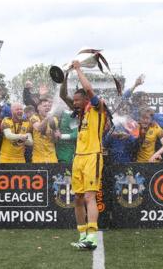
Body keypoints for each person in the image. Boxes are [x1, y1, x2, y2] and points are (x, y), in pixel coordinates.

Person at [60, 60, 108, 250]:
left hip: (92, 156)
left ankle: (93, 237)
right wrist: (65, 76)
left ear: (87, 100)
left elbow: (88, 89)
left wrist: (78, 69)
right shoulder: (79, 114)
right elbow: (62, 95)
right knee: (77, 199)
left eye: (78, 100)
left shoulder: (97, 109)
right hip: (78, 158)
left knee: (89, 197)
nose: (75, 103)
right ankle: (82, 236)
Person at [29, 97, 60, 163]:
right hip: (38, 157)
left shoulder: (54, 119)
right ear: (38, 108)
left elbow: (55, 140)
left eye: (49, 106)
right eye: (45, 106)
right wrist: (47, 118)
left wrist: (56, 135)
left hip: (52, 157)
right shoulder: (34, 117)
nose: (47, 107)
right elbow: (38, 128)